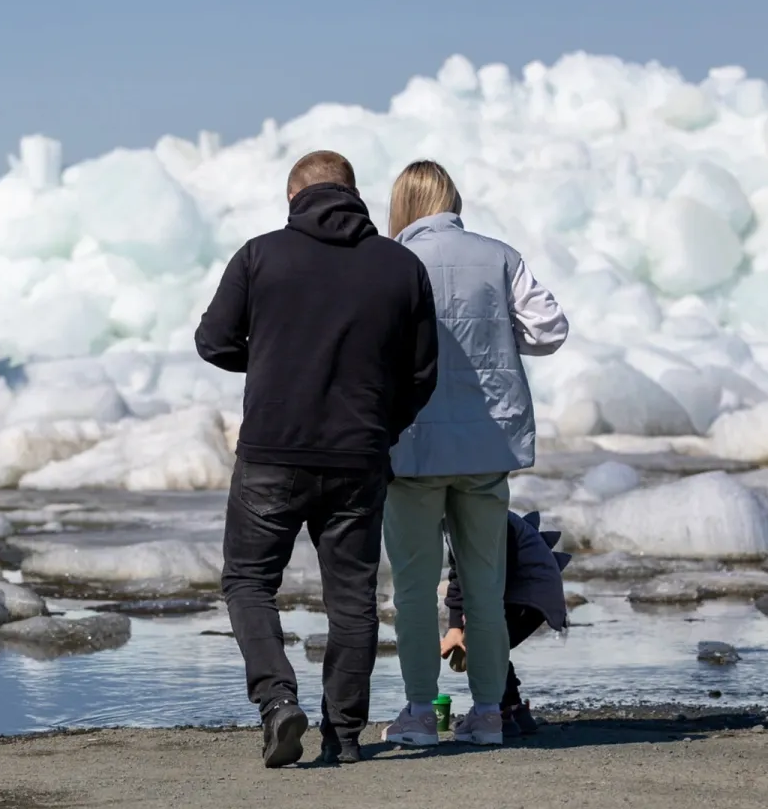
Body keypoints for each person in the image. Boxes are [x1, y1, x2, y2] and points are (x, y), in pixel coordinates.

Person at [196, 150, 438, 768]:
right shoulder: (400, 266)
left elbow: (213, 341)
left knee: (249, 581)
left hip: (273, 452)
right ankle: (346, 735)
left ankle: (279, 702)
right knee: (352, 597)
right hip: (359, 455)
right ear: (353, 194)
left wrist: (278, 355)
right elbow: (421, 375)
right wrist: (383, 426)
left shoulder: (260, 255)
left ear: (292, 198)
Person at [379, 160, 568, 749]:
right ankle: (488, 713)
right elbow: (548, 330)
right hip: (487, 445)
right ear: (452, 199)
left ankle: (417, 712)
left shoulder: (393, 263)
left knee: (413, 587)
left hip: (414, 446)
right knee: (484, 583)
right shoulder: (500, 255)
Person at [439, 510, 573, 736]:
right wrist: (455, 625)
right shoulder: (454, 521)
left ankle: (501, 714)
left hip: (530, 591)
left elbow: (500, 571)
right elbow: (458, 572)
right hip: (516, 586)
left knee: (486, 643)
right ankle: (515, 710)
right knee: (489, 645)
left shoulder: (488, 518)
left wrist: (474, 618)